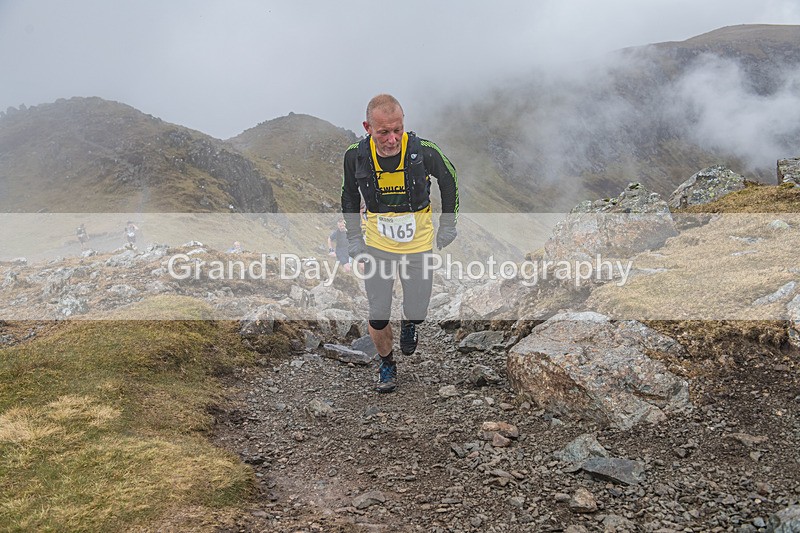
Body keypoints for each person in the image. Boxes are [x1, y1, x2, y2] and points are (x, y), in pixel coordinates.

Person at [341, 94, 459, 393]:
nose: (392, 139)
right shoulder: (355, 155)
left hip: (418, 245)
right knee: (378, 314)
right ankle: (387, 364)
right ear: (368, 127)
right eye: (384, 132)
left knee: (418, 310)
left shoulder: (423, 151)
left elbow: (450, 180)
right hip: (377, 245)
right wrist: (354, 238)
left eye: (398, 130)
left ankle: (409, 321)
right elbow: (349, 197)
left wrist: (448, 225)